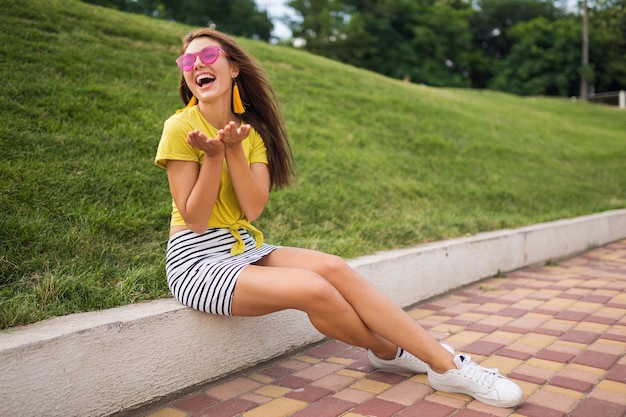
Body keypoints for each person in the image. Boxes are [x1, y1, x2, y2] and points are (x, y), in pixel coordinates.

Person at [155, 27, 523, 409]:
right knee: (314, 288)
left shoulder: (252, 134)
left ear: (233, 69)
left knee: (333, 267)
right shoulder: (180, 127)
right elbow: (195, 220)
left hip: (243, 245)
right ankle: (400, 353)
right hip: (197, 261)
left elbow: (252, 209)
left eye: (209, 56)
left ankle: (445, 363)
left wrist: (232, 150)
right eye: (187, 61)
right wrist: (213, 157)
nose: (197, 64)